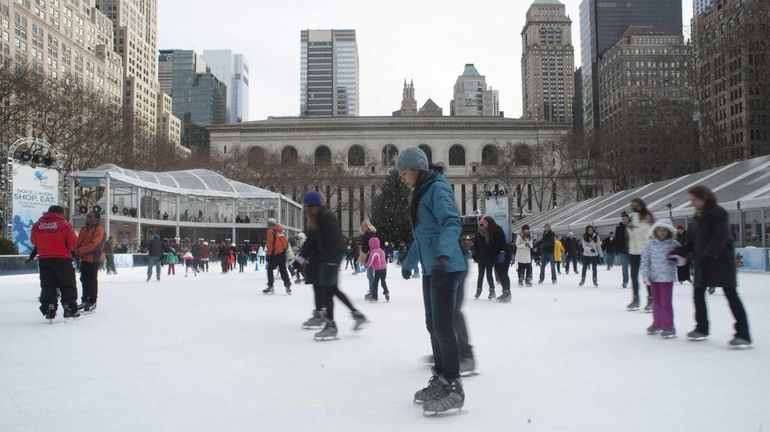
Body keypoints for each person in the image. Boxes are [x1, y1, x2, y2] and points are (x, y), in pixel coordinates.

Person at [397, 147, 466, 416]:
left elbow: (451, 223)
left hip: (446, 267)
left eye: (404, 172)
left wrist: (443, 257)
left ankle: (455, 386)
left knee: (443, 327)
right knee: (432, 325)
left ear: (417, 169)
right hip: (432, 268)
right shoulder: (421, 193)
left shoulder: (437, 189)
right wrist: (408, 262)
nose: (402, 177)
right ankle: (441, 378)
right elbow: (422, 236)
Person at [675, 186, 751, 348]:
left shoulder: (718, 213)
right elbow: (693, 240)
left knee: (731, 294)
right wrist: (681, 249)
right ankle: (702, 328)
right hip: (704, 262)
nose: (692, 203)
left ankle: (743, 334)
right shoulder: (697, 216)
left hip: (721, 261)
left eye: (694, 199)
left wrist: (709, 256)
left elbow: (720, 237)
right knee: (698, 294)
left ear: (704, 198)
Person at [296, 191, 367, 339]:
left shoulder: (324, 217)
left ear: (313, 206)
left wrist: (323, 259)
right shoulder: (322, 217)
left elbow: (325, 240)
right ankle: (356, 315)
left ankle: (331, 325)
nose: (306, 211)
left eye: (307, 207)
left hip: (331, 257)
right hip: (330, 257)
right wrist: (301, 258)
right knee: (332, 290)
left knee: (328, 291)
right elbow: (313, 241)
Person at [31, 205, 80, 321]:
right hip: (62, 259)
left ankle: (49, 308)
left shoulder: (37, 225)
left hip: (44, 260)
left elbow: (33, 241)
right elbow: (73, 243)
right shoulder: (65, 225)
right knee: (67, 284)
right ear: (61, 213)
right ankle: (69, 308)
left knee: (48, 285)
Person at [640, 218, 681, 339]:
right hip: (654, 278)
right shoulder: (650, 244)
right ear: (655, 231)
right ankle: (657, 323)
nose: (662, 232)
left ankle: (668, 327)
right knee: (656, 302)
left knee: (666, 303)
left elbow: (681, 260)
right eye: (659, 230)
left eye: (664, 230)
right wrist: (645, 274)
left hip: (667, 278)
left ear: (669, 231)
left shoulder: (674, 244)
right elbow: (645, 260)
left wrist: (679, 258)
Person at [627, 199, 654, 312]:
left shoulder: (648, 217)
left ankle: (651, 299)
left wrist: (633, 229)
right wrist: (631, 229)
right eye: (633, 205)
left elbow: (648, 232)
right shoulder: (632, 216)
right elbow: (629, 230)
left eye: (637, 205)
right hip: (633, 250)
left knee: (646, 277)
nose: (635, 207)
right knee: (633, 276)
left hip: (645, 250)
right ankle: (636, 298)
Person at [76, 211, 105, 312]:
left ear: (96, 219)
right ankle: (85, 299)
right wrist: (76, 250)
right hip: (83, 258)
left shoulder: (99, 229)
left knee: (92, 280)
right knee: (83, 279)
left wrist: (80, 250)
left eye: (90, 217)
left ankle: (92, 301)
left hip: (93, 258)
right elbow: (78, 241)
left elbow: (95, 244)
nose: (87, 218)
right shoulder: (84, 229)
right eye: (87, 216)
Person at [483, 216, 512, 303]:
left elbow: (503, 242)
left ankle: (507, 292)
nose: (483, 224)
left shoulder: (496, 230)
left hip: (503, 254)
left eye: (485, 222)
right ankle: (505, 291)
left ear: (489, 222)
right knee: (500, 273)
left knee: (503, 273)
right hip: (497, 255)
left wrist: (502, 252)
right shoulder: (488, 231)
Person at [263, 218, 292, 294]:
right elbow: (286, 243)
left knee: (269, 269)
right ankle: (287, 285)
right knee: (283, 270)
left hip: (275, 254)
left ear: (270, 224)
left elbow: (270, 244)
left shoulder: (271, 231)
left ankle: (270, 286)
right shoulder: (281, 231)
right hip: (283, 254)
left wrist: (268, 255)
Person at [471, 217, 496, 299]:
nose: (481, 226)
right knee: (480, 275)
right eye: (480, 224)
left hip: (489, 258)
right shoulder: (477, 234)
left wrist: (493, 256)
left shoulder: (490, 233)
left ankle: (492, 290)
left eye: (483, 224)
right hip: (481, 258)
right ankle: (478, 290)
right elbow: (475, 246)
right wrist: (475, 256)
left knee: (489, 275)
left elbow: (493, 246)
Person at [364, 236, 390, 302]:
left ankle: (374, 298)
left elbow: (371, 260)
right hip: (384, 269)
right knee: (383, 281)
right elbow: (384, 258)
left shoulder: (374, 251)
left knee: (375, 283)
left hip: (378, 269)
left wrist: (366, 266)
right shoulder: (381, 250)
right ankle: (386, 292)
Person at [359, 220, 379, 293]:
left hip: (370, 255)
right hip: (369, 255)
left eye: (365, 226)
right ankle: (372, 288)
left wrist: (365, 251)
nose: (364, 227)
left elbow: (370, 245)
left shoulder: (369, 234)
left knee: (370, 274)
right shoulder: (369, 234)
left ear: (368, 226)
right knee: (370, 274)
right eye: (363, 226)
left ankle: (372, 290)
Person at [613, 212, 631, 287]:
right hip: (622, 250)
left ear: (628, 219)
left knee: (634, 266)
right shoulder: (618, 228)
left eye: (625, 219)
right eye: (623, 219)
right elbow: (616, 239)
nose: (624, 220)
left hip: (632, 249)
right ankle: (625, 281)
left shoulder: (632, 227)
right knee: (624, 266)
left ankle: (634, 281)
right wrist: (617, 249)